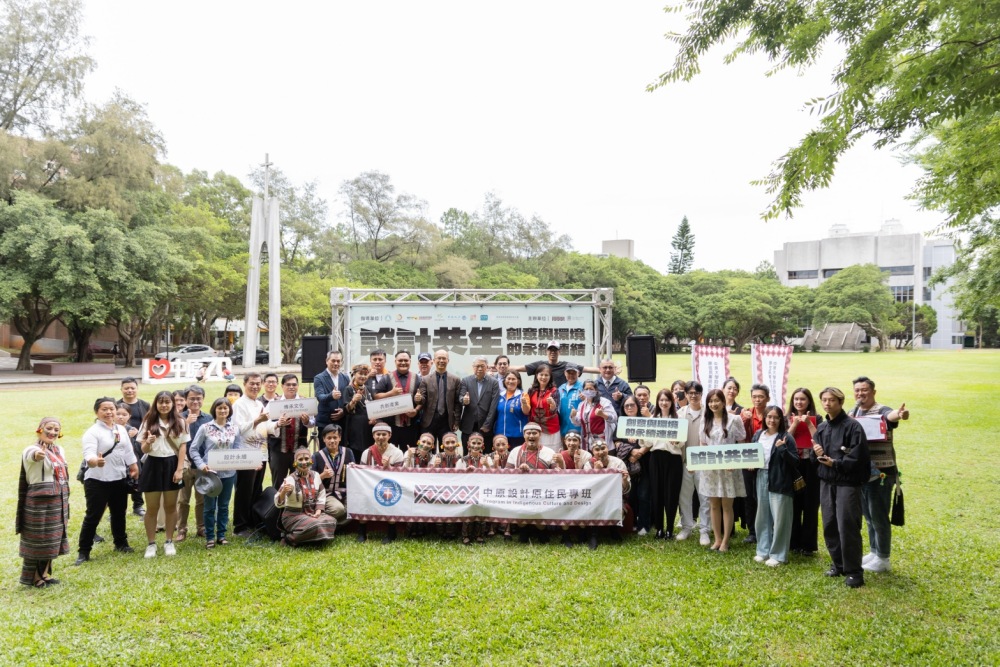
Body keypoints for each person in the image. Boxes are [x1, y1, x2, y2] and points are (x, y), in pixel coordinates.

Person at [811, 386, 870, 588]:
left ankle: (854, 571)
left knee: (847, 525)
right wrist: (816, 452)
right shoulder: (822, 428)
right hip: (826, 482)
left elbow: (858, 457)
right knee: (829, 524)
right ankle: (839, 564)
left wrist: (835, 463)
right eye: (824, 400)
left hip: (847, 483)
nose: (827, 404)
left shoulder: (853, 427)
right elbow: (815, 458)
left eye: (832, 400)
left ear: (841, 402)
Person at [850, 376, 909, 574]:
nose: (860, 394)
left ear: (873, 392)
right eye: (857, 390)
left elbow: (890, 416)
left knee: (879, 516)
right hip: (863, 473)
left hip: (882, 473)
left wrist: (899, 415)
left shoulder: (881, 410)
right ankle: (875, 551)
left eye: (864, 390)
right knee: (868, 515)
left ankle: (883, 558)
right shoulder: (854, 411)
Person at [75, 398, 139, 565]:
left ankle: (121, 543)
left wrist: (134, 466)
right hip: (97, 480)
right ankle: (84, 551)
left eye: (112, 409)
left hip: (118, 477)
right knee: (93, 516)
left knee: (119, 513)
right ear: (97, 412)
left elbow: (127, 450)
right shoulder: (92, 432)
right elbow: (88, 454)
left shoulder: (121, 429)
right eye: (105, 409)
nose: (109, 412)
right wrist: (95, 461)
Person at [189, 398, 260, 548]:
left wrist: (251, 461)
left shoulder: (234, 428)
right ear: (214, 409)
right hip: (210, 474)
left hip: (229, 473)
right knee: (209, 507)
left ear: (229, 411)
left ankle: (221, 535)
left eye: (225, 408)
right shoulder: (205, 427)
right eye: (220, 408)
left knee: (223, 506)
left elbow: (239, 448)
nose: (222, 411)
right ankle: (210, 537)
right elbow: (193, 449)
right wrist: (201, 465)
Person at [17, 417, 70, 587]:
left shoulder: (59, 450)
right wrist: (38, 454)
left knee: (52, 539)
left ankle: (45, 574)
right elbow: (33, 456)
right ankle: (34, 578)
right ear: (40, 429)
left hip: (59, 498)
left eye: (56, 429)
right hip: (39, 502)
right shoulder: (31, 449)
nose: (53, 432)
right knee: (37, 539)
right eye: (49, 428)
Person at [137, 390, 190, 558]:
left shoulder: (180, 421)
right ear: (156, 404)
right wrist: (148, 442)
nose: (164, 405)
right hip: (152, 464)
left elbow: (182, 446)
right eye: (161, 402)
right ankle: (151, 543)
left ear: (173, 403)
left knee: (170, 506)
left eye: (168, 402)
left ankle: (169, 541)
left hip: (171, 464)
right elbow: (143, 449)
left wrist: (179, 469)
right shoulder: (148, 421)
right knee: (152, 508)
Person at [697, 388, 747, 552]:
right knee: (713, 505)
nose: (713, 404)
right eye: (710, 401)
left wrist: (735, 462)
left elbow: (741, 442)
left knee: (727, 505)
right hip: (710, 470)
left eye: (716, 400)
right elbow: (702, 445)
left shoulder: (734, 419)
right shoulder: (705, 421)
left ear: (723, 402)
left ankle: (726, 540)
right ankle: (717, 539)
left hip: (728, 469)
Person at [751, 405, 799, 566]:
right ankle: (763, 550)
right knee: (762, 516)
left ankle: (778, 555)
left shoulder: (786, 437)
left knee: (780, 518)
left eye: (776, 417)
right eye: (769, 416)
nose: (772, 420)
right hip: (761, 477)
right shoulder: (758, 435)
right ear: (764, 418)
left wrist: (783, 448)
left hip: (780, 480)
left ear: (781, 420)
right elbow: (751, 454)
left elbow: (795, 461)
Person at [639, 388, 683, 539]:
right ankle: (659, 528)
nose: (664, 403)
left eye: (667, 400)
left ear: (672, 402)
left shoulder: (678, 420)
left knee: (671, 494)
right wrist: (639, 436)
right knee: (657, 493)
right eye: (661, 400)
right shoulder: (652, 420)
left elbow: (682, 443)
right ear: (657, 402)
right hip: (656, 459)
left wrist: (677, 441)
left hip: (673, 459)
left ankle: (670, 528)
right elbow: (649, 442)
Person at [230, 373, 269, 537]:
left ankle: (252, 521)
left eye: (258, 384)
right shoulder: (239, 404)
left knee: (256, 489)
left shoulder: (259, 403)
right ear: (244, 384)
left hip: (261, 451)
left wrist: (278, 424)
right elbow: (238, 429)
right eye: (252, 383)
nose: (255, 387)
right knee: (244, 490)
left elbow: (265, 427)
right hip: (245, 452)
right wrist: (257, 421)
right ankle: (240, 526)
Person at [275, 447, 337, 547]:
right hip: (293, 516)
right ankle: (289, 539)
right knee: (315, 525)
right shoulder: (290, 479)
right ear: (295, 463)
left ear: (311, 461)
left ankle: (310, 537)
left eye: (306, 459)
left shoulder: (316, 475)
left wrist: (318, 511)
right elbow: (278, 502)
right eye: (300, 460)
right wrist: (283, 492)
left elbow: (321, 494)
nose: (304, 462)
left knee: (331, 522)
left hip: (312, 513)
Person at [357, 422, 405, 543]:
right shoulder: (366, 452)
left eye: (384, 434)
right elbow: (362, 475)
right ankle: (362, 532)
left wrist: (388, 466)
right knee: (363, 498)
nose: (381, 437)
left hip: (390, 486)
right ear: (373, 436)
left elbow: (401, 476)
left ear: (390, 435)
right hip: (370, 486)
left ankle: (391, 532)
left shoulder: (397, 453)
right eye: (378, 434)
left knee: (391, 499)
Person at [786, 387, 819, 555]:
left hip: (811, 466)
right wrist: (795, 424)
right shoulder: (787, 418)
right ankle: (794, 542)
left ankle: (808, 545)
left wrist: (808, 423)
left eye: (803, 399)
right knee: (794, 504)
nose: (799, 402)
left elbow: (819, 439)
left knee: (810, 505)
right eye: (796, 399)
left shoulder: (817, 418)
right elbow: (785, 439)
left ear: (809, 401)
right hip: (794, 466)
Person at [176, 385, 211, 542]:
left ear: (203, 400)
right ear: (186, 400)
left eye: (198, 398)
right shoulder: (178, 418)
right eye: (192, 398)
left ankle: (201, 527)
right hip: (184, 465)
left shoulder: (209, 418)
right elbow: (174, 439)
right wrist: (186, 423)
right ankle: (181, 529)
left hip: (203, 465)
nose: (195, 401)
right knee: (183, 499)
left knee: (202, 498)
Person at [677, 382, 711, 545]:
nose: (693, 395)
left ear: (701, 394)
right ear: (686, 394)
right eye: (690, 392)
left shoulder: (709, 413)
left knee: (705, 498)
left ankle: (704, 530)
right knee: (684, 497)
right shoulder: (680, 413)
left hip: (703, 462)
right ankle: (686, 527)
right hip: (684, 461)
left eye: (697, 392)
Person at [264, 373, 311, 488]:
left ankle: (296, 505)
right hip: (278, 449)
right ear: (282, 386)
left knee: (300, 481)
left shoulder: (304, 402)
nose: (291, 387)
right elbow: (265, 424)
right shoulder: (274, 402)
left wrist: (306, 421)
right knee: (278, 483)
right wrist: (278, 424)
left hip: (299, 449)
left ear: (298, 386)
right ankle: (278, 505)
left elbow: (313, 423)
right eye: (288, 384)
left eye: (294, 384)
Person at [738, 384, 771, 544]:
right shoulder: (745, 414)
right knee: (749, 497)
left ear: (768, 398)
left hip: (767, 462)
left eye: (761, 397)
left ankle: (767, 529)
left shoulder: (771, 415)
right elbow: (740, 437)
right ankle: (752, 531)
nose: (757, 400)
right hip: (748, 461)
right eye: (755, 397)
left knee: (765, 497)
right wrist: (744, 419)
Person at [587, 439, 632, 549]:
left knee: (619, 509)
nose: (601, 452)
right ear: (592, 451)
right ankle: (593, 535)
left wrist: (624, 480)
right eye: (597, 450)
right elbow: (587, 487)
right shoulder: (588, 465)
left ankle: (614, 530)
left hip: (614, 497)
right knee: (592, 507)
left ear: (608, 449)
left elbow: (626, 489)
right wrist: (596, 472)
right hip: (594, 498)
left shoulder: (618, 463)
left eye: (603, 448)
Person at [615, 395, 649, 535]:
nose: (629, 408)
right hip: (628, 465)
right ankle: (633, 522)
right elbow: (616, 442)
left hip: (645, 463)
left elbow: (651, 440)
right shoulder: (621, 423)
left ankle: (644, 525)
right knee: (632, 495)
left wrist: (640, 452)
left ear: (637, 406)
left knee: (644, 495)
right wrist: (630, 452)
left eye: (632, 405)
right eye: (626, 406)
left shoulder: (645, 422)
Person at [312, 424, 354, 525]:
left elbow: (354, 476)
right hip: (326, 493)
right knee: (339, 510)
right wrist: (322, 475)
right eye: (329, 438)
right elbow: (310, 481)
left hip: (344, 492)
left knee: (354, 508)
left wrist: (353, 470)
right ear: (323, 439)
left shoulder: (348, 452)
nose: (332, 441)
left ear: (339, 438)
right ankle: (320, 522)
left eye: (335, 437)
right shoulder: (316, 456)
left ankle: (330, 525)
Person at [384, 350, 426, 450]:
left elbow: (424, 398)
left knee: (409, 455)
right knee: (390, 456)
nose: (403, 363)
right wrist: (390, 393)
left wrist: (416, 410)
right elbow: (376, 396)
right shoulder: (386, 378)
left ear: (410, 361)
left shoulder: (418, 378)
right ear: (395, 361)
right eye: (400, 360)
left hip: (411, 426)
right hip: (391, 425)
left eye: (406, 360)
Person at [118, 377, 149, 517]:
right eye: (126, 388)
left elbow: (150, 423)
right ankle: (117, 506)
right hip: (119, 445)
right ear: (121, 389)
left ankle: (138, 505)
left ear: (137, 389)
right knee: (120, 475)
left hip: (139, 444)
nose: (129, 390)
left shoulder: (144, 405)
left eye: (132, 388)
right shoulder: (115, 405)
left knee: (139, 474)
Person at [511, 341, 600, 388]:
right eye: (551, 350)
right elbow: (520, 368)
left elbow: (586, 369)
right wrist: (501, 369)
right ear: (547, 352)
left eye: (555, 350)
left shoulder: (566, 365)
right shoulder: (540, 365)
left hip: (560, 397)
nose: (553, 352)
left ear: (559, 352)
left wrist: (605, 371)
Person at [419, 349, 462, 445]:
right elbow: (422, 400)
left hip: (447, 421)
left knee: (447, 449)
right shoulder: (425, 380)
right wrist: (418, 399)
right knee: (428, 449)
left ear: (448, 361)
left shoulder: (455, 380)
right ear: (433, 361)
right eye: (439, 358)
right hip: (429, 421)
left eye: (444, 358)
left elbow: (457, 403)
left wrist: (457, 421)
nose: (441, 361)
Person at [459, 356, 500, 450]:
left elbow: (493, 405)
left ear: (487, 367)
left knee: (485, 452)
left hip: (485, 425)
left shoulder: (493, 382)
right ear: (473, 367)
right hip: (468, 424)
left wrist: (488, 423)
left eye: (482, 366)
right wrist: (464, 400)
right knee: (467, 451)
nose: (480, 369)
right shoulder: (466, 381)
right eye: (477, 366)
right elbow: (460, 397)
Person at [520, 363, 562, 451]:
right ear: (536, 376)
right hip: (535, 428)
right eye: (541, 374)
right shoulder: (531, 390)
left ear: (550, 377)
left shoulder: (554, 391)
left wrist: (552, 403)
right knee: (535, 451)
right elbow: (527, 412)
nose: (543, 377)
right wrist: (524, 403)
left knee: (551, 452)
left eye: (546, 375)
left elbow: (554, 410)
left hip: (551, 428)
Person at [458, 433, 490, 544]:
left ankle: (480, 535)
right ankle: (465, 536)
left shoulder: (486, 458)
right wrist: (466, 472)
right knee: (468, 512)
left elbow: (494, 475)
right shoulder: (462, 460)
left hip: (483, 489)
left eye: (478, 443)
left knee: (481, 512)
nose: (476, 446)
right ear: (468, 445)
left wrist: (487, 465)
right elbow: (457, 475)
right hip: (467, 490)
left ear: (482, 445)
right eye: (473, 443)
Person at [571, 379, 618, 450]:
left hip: (602, 441)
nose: (588, 391)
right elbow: (578, 423)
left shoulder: (604, 402)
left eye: (591, 389)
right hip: (587, 443)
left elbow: (614, 418)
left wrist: (603, 414)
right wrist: (573, 416)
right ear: (583, 391)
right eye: (586, 389)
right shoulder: (582, 405)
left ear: (596, 390)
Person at [344, 363, 375, 463]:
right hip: (354, 426)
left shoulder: (369, 389)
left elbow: (374, 408)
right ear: (354, 374)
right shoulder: (348, 389)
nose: (363, 376)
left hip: (368, 426)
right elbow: (346, 410)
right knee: (356, 452)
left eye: (365, 374)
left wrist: (375, 418)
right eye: (360, 373)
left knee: (368, 453)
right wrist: (353, 401)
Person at [313, 350, 350, 433]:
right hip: (325, 422)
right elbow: (320, 397)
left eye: (338, 361)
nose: (336, 363)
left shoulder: (345, 378)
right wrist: (331, 396)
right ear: (327, 361)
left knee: (342, 446)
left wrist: (343, 411)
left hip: (342, 421)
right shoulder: (319, 378)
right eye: (333, 361)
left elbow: (348, 398)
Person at [495, 371, 528, 449]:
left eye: (513, 379)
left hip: (517, 435)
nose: (510, 381)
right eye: (508, 379)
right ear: (504, 381)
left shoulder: (523, 395)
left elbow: (526, 412)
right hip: (500, 435)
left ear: (518, 381)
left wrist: (524, 403)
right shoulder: (500, 395)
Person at [558, 364, 584, 439]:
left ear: (578, 374)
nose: (571, 375)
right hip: (563, 428)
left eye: (574, 373)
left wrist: (586, 399)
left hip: (579, 429)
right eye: (569, 373)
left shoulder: (583, 386)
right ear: (565, 373)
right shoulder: (561, 388)